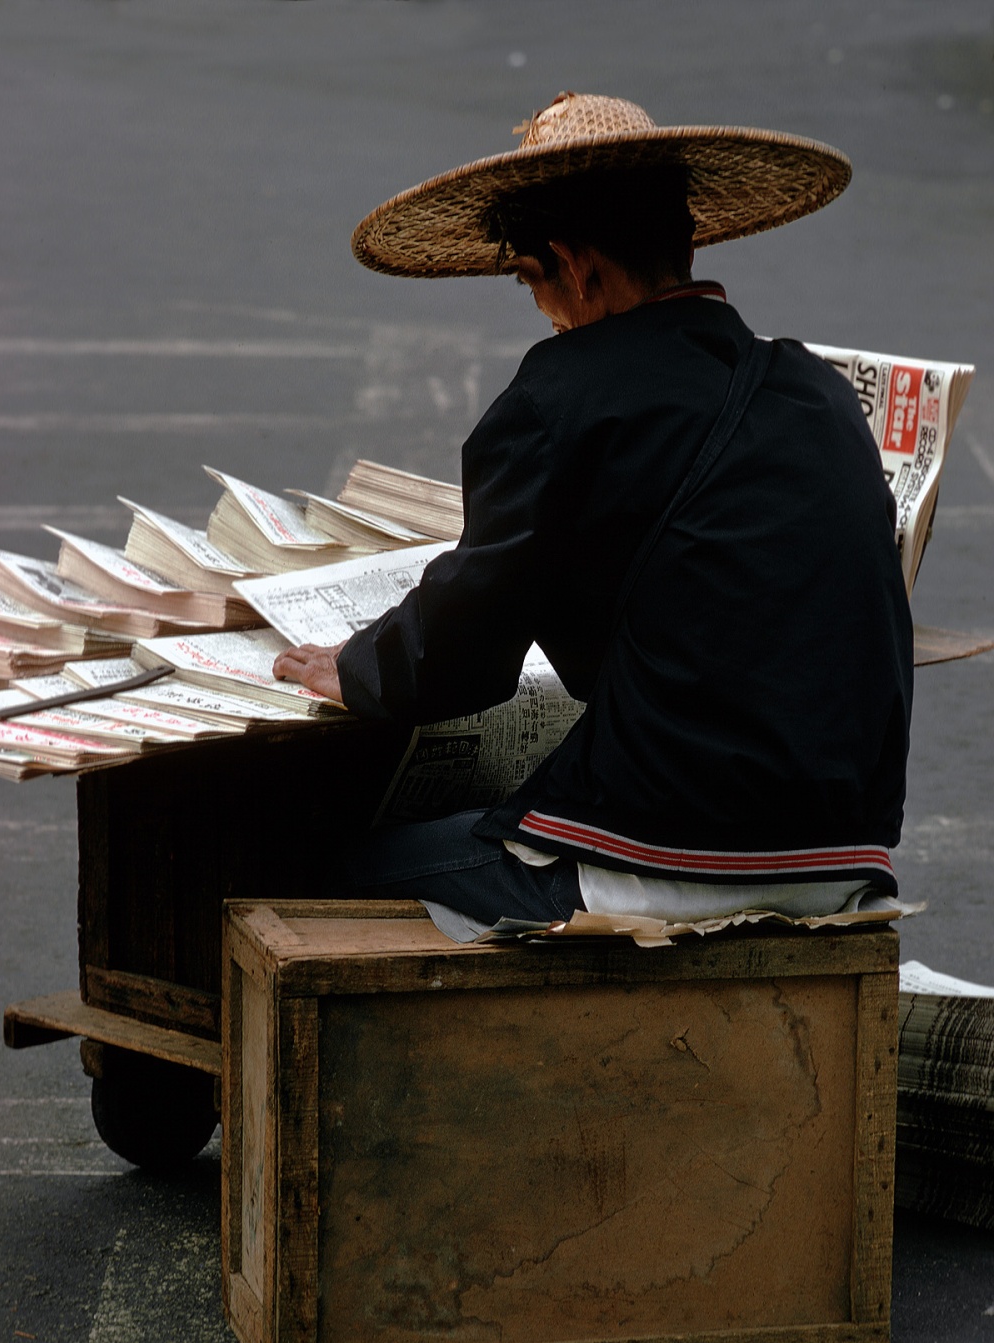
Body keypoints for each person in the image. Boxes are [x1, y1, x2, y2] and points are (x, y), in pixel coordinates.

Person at [274, 92, 914, 939]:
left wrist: (356, 667)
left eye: (533, 284)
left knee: (307, 876)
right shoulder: (821, 395)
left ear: (576, 269)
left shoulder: (563, 395)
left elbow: (463, 652)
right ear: (686, 243)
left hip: (658, 866)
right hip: (847, 857)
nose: (544, 311)